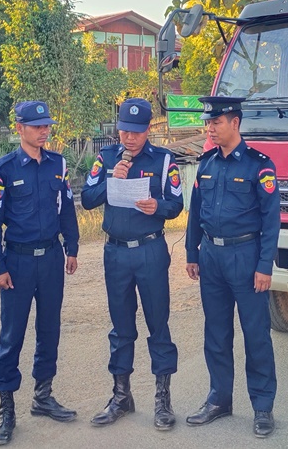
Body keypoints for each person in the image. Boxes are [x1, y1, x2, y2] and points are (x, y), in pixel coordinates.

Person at [81, 98, 184, 431]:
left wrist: (158, 207)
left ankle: (163, 400)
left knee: (158, 324)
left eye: (136, 132)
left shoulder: (163, 159)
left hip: (150, 251)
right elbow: (87, 199)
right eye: (124, 131)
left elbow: (177, 204)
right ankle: (121, 396)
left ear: (148, 129)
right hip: (116, 253)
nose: (129, 138)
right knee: (121, 327)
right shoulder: (107, 157)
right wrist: (112, 179)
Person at [0, 101, 80, 446]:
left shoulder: (57, 164)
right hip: (18, 262)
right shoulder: (3, 169)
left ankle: (43, 395)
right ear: (19, 128)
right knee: (12, 335)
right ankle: (6, 409)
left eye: (46, 125)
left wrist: (72, 247)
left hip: (51, 258)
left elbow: (66, 208)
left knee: (49, 329)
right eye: (37, 126)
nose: (44, 131)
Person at [185, 96, 281, 438]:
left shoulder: (258, 166)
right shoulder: (207, 164)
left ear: (235, 123)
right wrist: (192, 253)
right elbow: (195, 212)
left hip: (246, 256)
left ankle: (263, 406)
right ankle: (219, 399)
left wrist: (265, 266)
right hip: (211, 257)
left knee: (256, 335)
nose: (210, 128)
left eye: (216, 122)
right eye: (208, 123)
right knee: (216, 333)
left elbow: (271, 220)